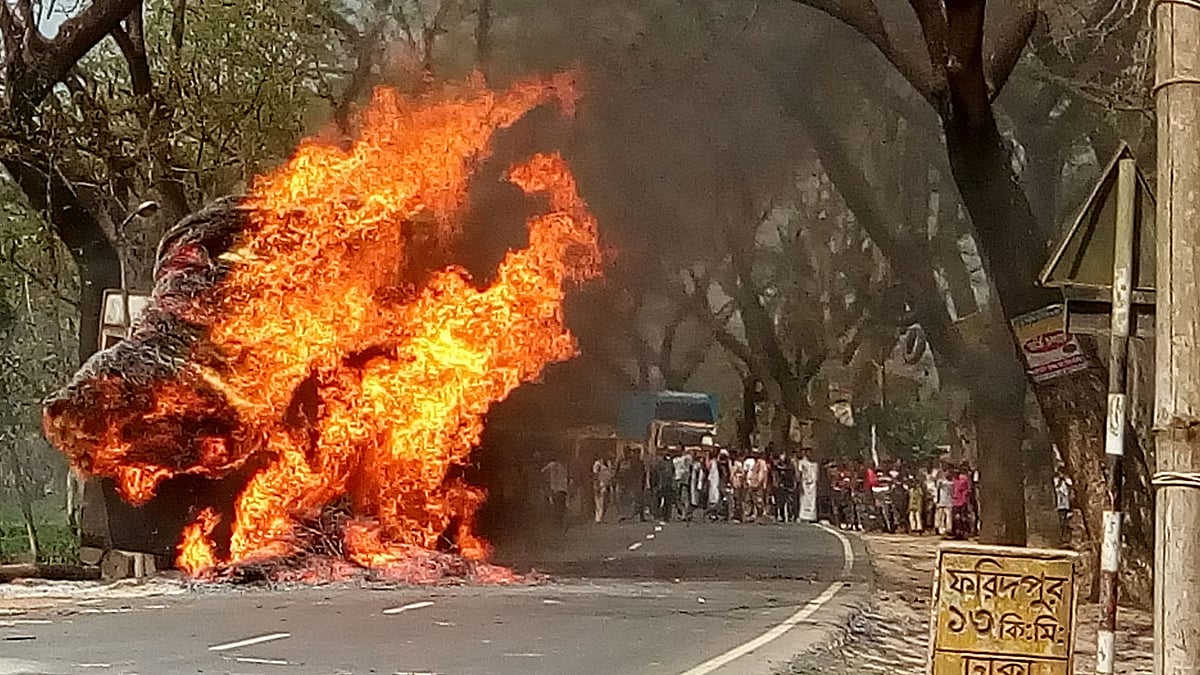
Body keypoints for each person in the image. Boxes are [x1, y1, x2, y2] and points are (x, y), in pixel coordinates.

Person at [542, 458, 569, 529]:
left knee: (555, 506)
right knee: (561, 507)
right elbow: (566, 478)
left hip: (554, 489)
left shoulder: (551, 465)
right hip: (562, 489)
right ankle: (559, 522)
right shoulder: (564, 466)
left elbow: (542, 471)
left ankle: (556, 522)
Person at [773, 450, 797, 522]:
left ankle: (791, 516)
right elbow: (776, 473)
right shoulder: (777, 465)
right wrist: (776, 483)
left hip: (789, 484)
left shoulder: (790, 465)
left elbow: (793, 473)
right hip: (781, 485)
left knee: (790, 501)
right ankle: (781, 516)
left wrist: (794, 482)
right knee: (780, 502)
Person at [796, 447, 819, 523]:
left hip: (813, 485)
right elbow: (799, 473)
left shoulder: (815, 464)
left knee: (812, 500)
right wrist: (799, 483)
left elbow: (817, 475)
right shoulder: (802, 463)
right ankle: (803, 516)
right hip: (805, 484)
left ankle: (812, 517)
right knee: (804, 500)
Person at [1054, 466, 1073, 543]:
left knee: (1066, 521)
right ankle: (1061, 536)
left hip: (1066, 503)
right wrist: (1060, 480)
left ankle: (1065, 537)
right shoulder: (1056, 479)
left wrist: (1065, 479)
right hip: (1060, 502)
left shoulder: (1067, 480)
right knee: (1061, 520)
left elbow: (1071, 484)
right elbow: (1057, 487)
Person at [951, 468, 971, 539]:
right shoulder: (954, 480)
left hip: (962, 501)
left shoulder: (963, 479)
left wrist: (965, 498)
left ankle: (965, 532)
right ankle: (957, 532)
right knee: (956, 518)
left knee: (963, 517)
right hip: (955, 501)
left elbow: (968, 489)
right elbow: (953, 490)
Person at [593, 457, 614, 523]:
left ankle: (602, 517)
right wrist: (596, 485)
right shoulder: (598, 464)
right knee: (600, 502)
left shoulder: (608, 464)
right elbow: (595, 475)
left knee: (605, 502)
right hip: (600, 484)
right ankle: (599, 518)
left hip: (606, 484)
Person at [935, 467, 954, 536]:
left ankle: (948, 529)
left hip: (948, 501)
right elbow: (937, 489)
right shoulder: (941, 482)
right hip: (941, 501)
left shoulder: (951, 483)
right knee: (941, 515)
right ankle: (940, 528)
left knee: (948, 515)